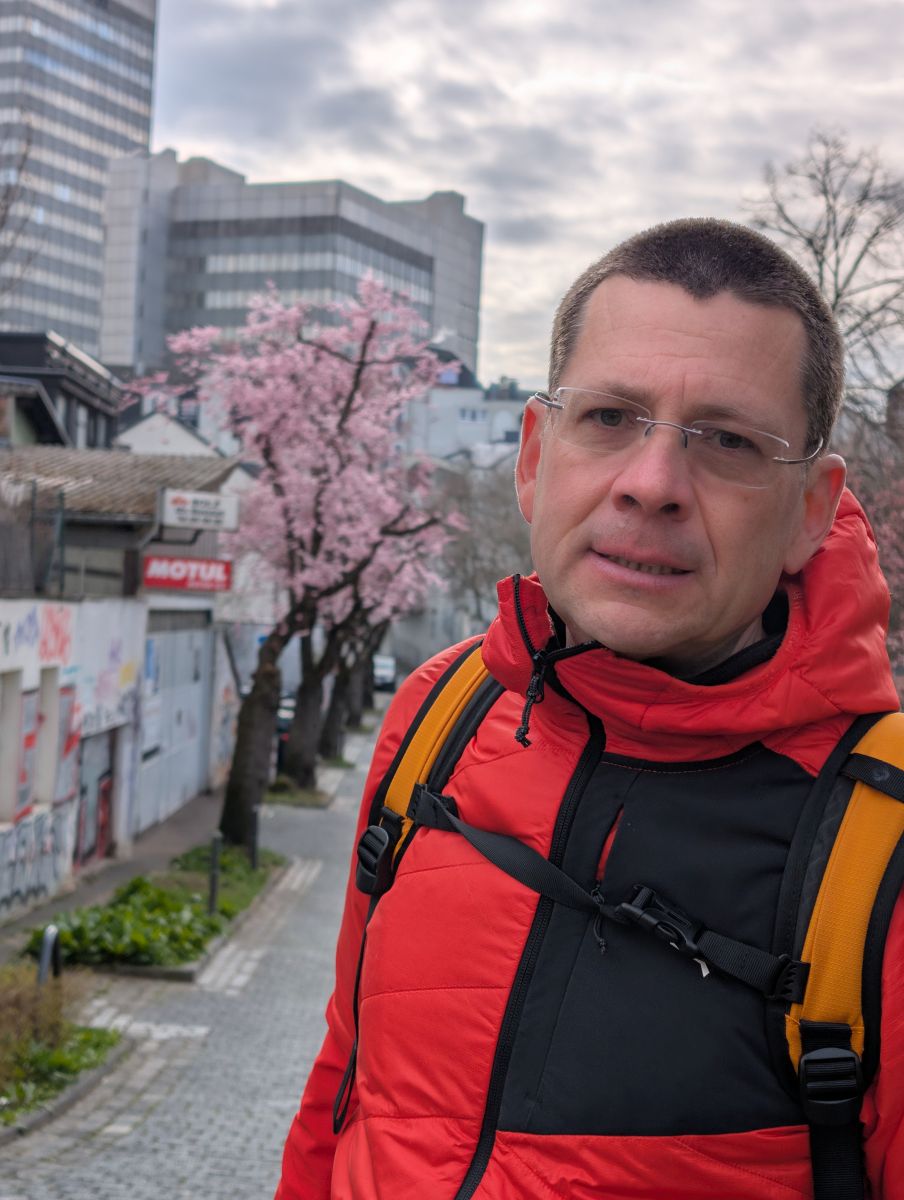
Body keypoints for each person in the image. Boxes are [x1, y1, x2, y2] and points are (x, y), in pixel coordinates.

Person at [275, 218, 904, 1199]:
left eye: (728, 441)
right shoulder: (437, 715)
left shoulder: (882, 835)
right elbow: (343, 1088)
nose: (651, 486)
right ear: (535, 457)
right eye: (609, 417)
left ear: (812, 512)